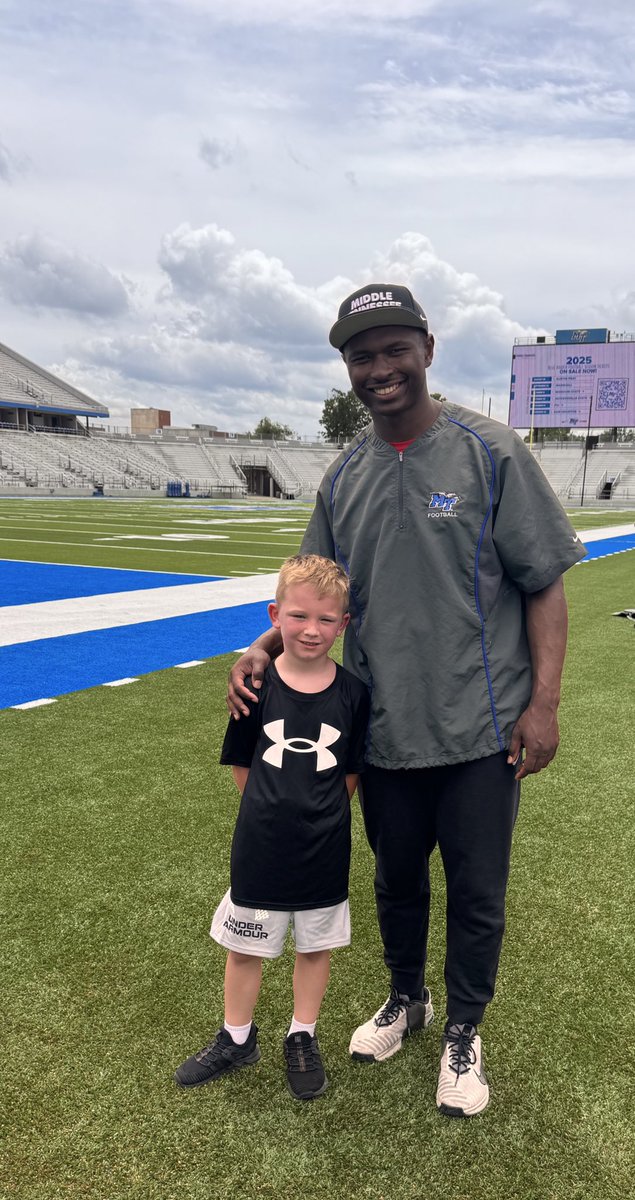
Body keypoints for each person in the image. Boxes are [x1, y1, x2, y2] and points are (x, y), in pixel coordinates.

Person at [227, 283, 587, 1117]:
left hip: (479, 725)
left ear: (427, 347)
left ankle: (464, 1029)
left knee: (476, 891)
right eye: (361, 355)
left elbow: (543, 584)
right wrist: (261, 644)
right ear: (347, 367)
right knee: (394, 883)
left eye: (393, 349)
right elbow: (311, 593)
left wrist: (545, 704)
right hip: (378, 730)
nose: (379, 368)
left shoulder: (488, 451)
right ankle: (406, 998)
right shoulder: (345, 475)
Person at [175, 554, 370, 1101]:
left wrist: (318, 813)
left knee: (314, 947)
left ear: (344, 624)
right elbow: (242, 764)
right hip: (260, 843)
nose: (312, 630)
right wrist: (274, 809)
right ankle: (236, 1037)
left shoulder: (355, 694)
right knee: (246, 947)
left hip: (325, 846)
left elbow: (351, 771)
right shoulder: (254, 686)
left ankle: (301, 1034)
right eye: (300, 616)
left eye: (327, 620)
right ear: (275, 615)